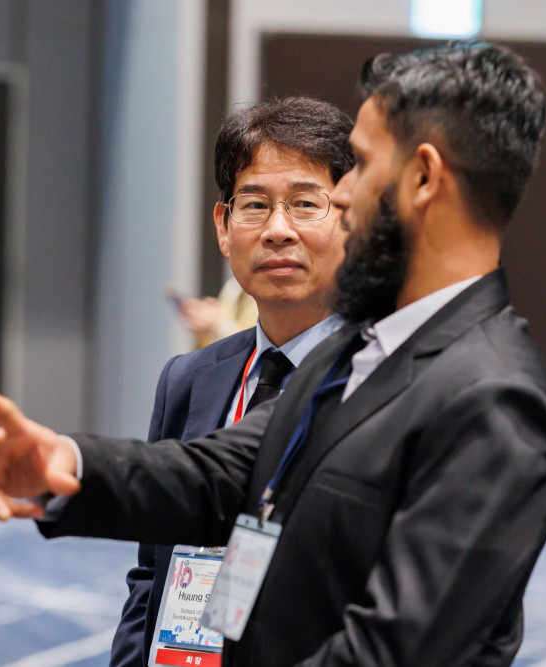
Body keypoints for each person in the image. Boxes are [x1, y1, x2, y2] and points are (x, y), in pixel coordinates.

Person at [0, 41, 546, 665]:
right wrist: (65, 461)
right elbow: (220, 474)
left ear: (422, 178)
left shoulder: (494, 397)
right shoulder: (372, 350)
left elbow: (393, 651)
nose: (342, 197)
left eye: (361, 165)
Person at [111, 97, 354, 666]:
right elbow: (152, 573)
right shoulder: (188, 380)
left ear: (353, 218)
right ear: (223, 227)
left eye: (305, 203)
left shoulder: (384, 380)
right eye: (255, 205)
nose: (277, 230)